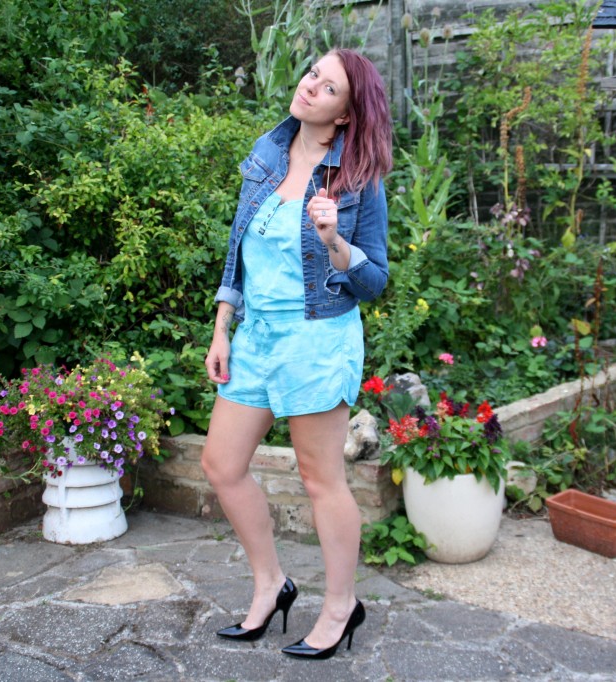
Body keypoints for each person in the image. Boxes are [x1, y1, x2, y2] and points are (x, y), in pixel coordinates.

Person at [201, 48, 392, 660]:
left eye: (328, 87)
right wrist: (223, 327)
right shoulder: (267, 154)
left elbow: (374, 280)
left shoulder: (358, 181)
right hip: (255, 338)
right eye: (312, 74)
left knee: (319, 479)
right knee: (221, 465)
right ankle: (270, 584)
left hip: (316, 339)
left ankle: (340, 606)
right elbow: (238, 250)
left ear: (345, 114)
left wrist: (335, 240)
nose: (310, 87)